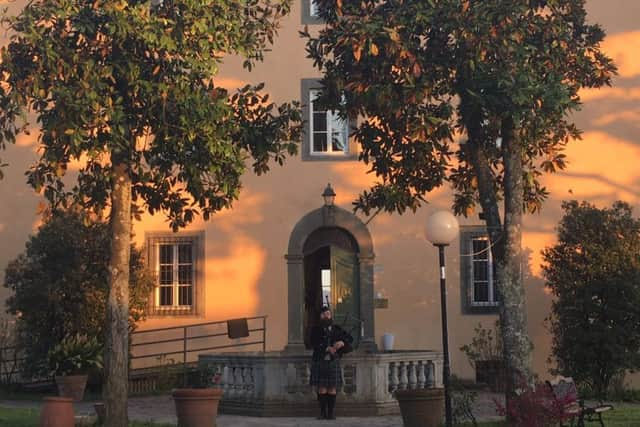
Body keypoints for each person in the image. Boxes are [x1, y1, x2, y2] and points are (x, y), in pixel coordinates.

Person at [309, 306, 354, 420]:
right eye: (324, 314)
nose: (326, 316)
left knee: (332, 388)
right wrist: (326, 348)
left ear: (331, 316)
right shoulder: (315, 329)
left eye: (328, 314)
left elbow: (350, 339)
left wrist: (342, 342)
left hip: (333, 361)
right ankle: (322, 413)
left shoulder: (337, 328)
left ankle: (331, 414)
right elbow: (311, 343)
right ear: (320, 317)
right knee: (322, 388)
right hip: (320, 360)